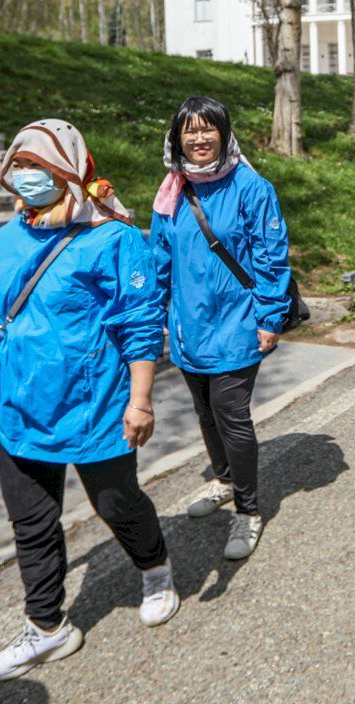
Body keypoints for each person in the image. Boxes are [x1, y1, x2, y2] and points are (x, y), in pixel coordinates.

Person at [0, 119, 178, 684]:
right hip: (19, 410)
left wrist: (141, 401)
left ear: (69, 172)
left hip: (96, 409)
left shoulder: (113, 240)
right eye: (19, 166)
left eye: (38, 166)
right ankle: (47, 627)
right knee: (31, 523)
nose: (26, 176)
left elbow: (139, 327)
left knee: (117, 505)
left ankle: (155, 567)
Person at [150, 96, 292, 561]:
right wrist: (157, 320)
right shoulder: (172, 191)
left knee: (231, 415)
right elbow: (159, 261)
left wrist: (270, 317)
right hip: (188, 327)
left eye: (207, 129)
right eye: (189, 131)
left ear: (224, 134)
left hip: (237, 323)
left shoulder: (251, 187)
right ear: (177, 140)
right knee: (206, 412)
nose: (199, 138)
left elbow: (271, 256)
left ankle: (248, 512)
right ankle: (224, 479)